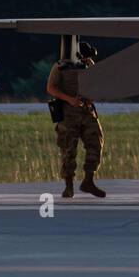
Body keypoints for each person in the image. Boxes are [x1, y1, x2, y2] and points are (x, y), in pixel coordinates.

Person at [46, 41, 105, 198]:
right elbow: (51, 88)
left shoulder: (88, 67)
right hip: (68, 113)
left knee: (95, 143)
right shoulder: (60, 67)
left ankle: (88, 180)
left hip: (87, 111)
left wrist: (92, 68)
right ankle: (69, 185)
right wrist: (70, 99)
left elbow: (99, 85)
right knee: (68, 149)